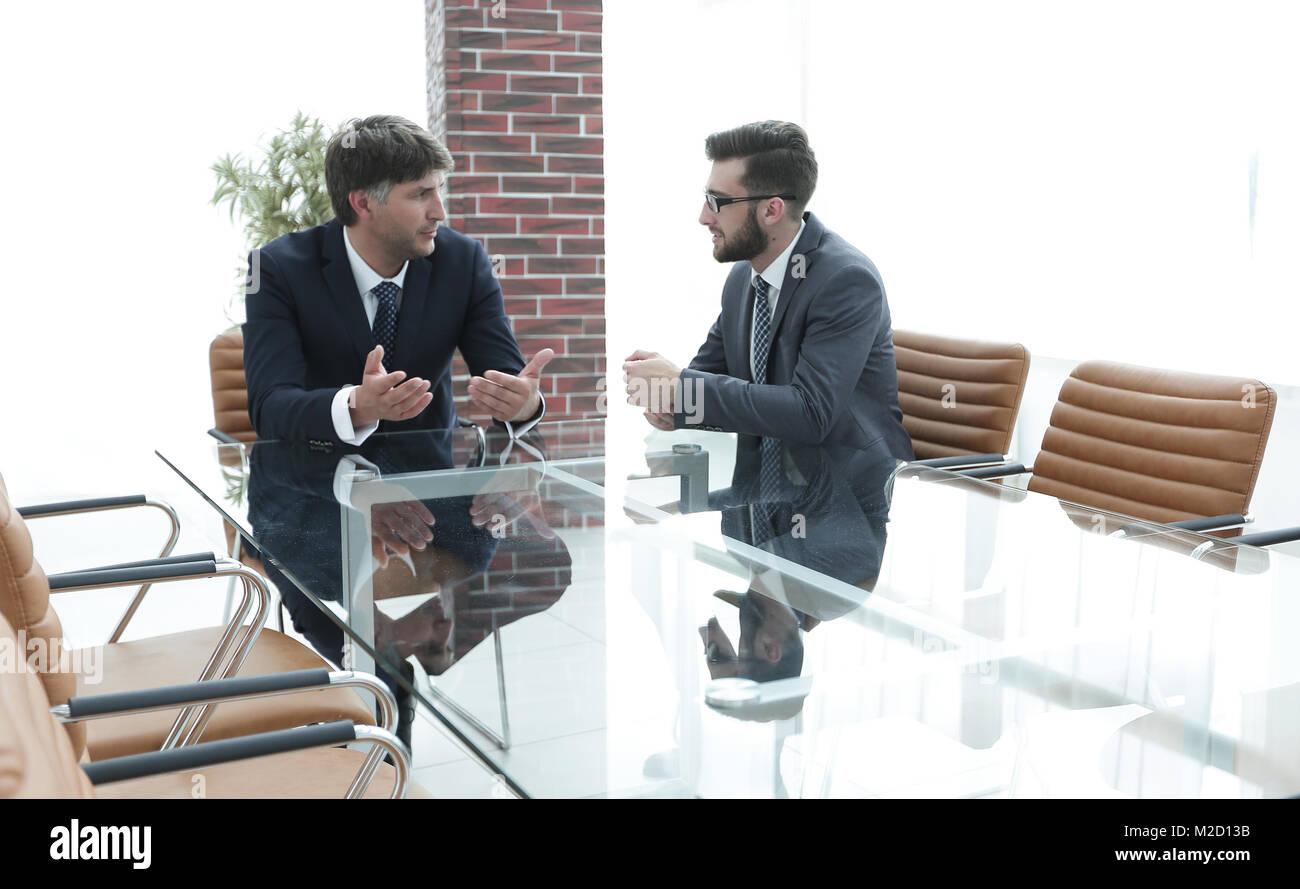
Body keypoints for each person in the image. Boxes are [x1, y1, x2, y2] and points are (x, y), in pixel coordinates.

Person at [243, 114, 551, 445]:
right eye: (420, 194)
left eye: (439, 190)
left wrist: (523, 405)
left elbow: (505, 378)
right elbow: (270, 407)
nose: (439, 212)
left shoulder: (464, 261)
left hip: (434, 482)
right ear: (362, 203)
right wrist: (358, 406)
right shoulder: (277, 268)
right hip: (313, 482)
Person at [623, 120, 913, 464]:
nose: (704, 217)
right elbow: (714, 377)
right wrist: (673, 402)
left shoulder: (845, 281)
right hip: (762, 492)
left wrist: (684, 385)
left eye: (717, 201)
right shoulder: (743, 276)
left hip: (849, 492)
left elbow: (810, 413)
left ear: (771, 209)